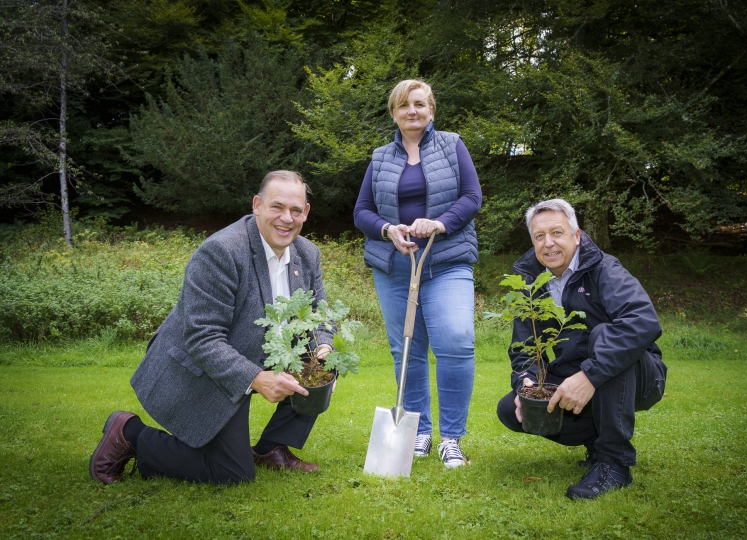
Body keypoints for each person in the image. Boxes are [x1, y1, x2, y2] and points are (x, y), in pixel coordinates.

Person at [89, 170, 334, 485]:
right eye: (277, 207)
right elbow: (202, 338)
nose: (287, 218)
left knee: (319, 370)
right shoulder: (222, 252)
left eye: (296, 210)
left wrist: (324, 352)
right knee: (232, 473)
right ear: (257, 205)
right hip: (203, 369)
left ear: (306, 213)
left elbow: (320, 315)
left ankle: (272, 448)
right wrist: (257, 379)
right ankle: (129, 433)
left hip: (259, 353)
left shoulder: (307, 253)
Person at [496, 198, 667, 499]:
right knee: (512, 409)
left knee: (605, 336)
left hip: (641, 377)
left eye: (557, 233)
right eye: (539, 236)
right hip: (580, 377)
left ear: (576, 236)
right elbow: (525, 346)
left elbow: (643, 321)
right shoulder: (531, 283)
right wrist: (526, 382)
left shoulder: (604, 269)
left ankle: (614, 463)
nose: (548, 243)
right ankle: (597, 442)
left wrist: (589, 376)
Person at [354, 79, 482, 467]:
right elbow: (362, 211)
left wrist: (440, 224)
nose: (413, 111)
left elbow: (472, 197)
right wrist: (387, 229)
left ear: (432, 110)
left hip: (446, 262)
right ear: (394, 112)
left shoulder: (451, 145)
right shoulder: (380, 157)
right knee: (406, 350)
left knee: (456, 343)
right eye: (404, 105)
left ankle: (452, 439)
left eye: (420, 104)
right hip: (395, 266)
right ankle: (419, 432)